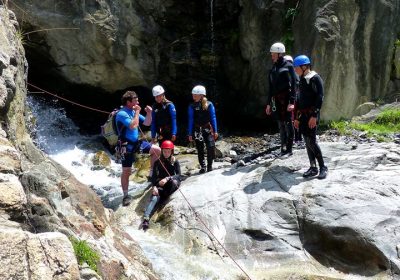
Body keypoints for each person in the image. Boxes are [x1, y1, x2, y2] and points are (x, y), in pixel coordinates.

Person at [293, 55, 328, 179]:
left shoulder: (315, 78)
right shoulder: (301, 79)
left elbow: (320, 97)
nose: (295, 70)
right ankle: (313, 167)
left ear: (304, 66)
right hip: (302, 115)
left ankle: (323, 167)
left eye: (296, 67)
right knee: (307, 142)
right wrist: (296, 118)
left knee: (312, 141)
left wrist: (314, 115)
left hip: (312, 115)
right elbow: (298, 100)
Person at [115, 90, 153, 206]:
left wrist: (149, 113)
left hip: (136, 142)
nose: (138, 101)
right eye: (135, 100)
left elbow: (147, 123)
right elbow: (133, 125)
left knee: (157, 150)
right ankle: (126, 195)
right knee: (127, 171)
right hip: (126, 145)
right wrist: (137, 112)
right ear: (128, 102)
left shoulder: (133, 111)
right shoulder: (122, 114)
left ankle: (152, 177)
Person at [266, 42, 297, 156]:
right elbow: (271, 87)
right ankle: (283, 148)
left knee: (288, 123)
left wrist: (292, 102)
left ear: (279, 54)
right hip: (277, 100)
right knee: (280, 123)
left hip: (286, 99)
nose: (272, 55)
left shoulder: (288, 66)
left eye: (273, 53)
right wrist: (269, 103)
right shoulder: (274, 67)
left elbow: (293, 84)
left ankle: (289, 149)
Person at [142, 140, 181, 229]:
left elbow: (179, 175)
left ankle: (162, 198)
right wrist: (154, 187)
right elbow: (153, 178)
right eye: (164, 151)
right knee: (154, 197)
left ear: (172, 151)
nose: (166, 153)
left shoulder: (175, 161)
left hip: (171, 184)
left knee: (172, 182)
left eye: (169, 151)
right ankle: (146, 219)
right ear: (162, 151)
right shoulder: (157, 162)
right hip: (161, 185)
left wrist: (168, 178)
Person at [188, 85, 218, 173]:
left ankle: (209, 165)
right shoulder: (192, 106)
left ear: (201, 95)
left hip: (207, 128)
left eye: (195, 95)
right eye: (193, 94)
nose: (193, 96)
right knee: (200, 148)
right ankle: (203, 166)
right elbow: (191, 120)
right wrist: (190, 133)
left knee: (211, 146)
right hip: (197, 130)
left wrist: (215, 131)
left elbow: (213, 118)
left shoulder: (209, 104)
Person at [284, 55, 303, 146]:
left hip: (293, 99)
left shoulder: (290, 73)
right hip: (297, 98)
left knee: (293, 118)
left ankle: (296, 138)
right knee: (296, 117)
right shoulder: (295, 73)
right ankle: (298, 138)